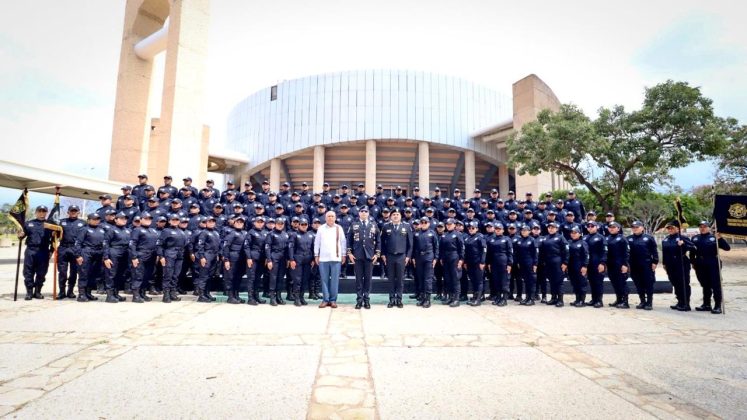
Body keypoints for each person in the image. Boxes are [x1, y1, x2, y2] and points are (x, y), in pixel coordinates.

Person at [690, 221, 730, 314]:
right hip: (700, 263)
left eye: (705, 226)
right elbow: (692, 252)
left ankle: (717, 306)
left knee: (715, 285)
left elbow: (727, 248)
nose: (702, 228)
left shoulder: (714, 237)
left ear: (709, 228)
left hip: (712, 263)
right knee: (705, 285)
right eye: (701, 227)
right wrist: (693, 262)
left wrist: (720, 239)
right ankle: (706, 304)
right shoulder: (695, 238)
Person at [17, 205, 54, 300]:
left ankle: (37, 292)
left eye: (43, 211)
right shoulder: (28, 223)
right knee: (28, 272)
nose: (41, 213)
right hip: (31, 250)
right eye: (39, 211)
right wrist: (20, 235)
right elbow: (22, 236)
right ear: (36, 212)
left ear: (46, 213)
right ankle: (29, 292)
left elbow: (54, 240)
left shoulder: (51, 225)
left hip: (43, 251)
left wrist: (51, 251)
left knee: (41, 272)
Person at [346, 207, 381, 309]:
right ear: (359, 213)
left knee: (368, 279)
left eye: (366, 211)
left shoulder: (374, 225)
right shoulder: (354, 224)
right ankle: (359, 300)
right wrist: (349, 253)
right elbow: (349, 240)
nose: (364, 213)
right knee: (358, 279)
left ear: (368, 213)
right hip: (357, 256)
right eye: (362, 211)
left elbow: (378, 240)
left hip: (370, 256)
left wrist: (377, 254)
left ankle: (366, 299)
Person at [380, 209, 413, 308]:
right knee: (390, 279)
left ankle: (399, 299)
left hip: (401, 256)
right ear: (391, 216)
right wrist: (383, 254)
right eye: (394, 214)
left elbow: (410, 244)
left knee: (400, 279)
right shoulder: (386, 226)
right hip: (389, 256)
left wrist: (408, 256)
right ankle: (391, 299)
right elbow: (382, 242)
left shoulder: (406, 226)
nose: (395, 216)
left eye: (397, 214)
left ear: (400, 216)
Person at [314, 211, 346, 308]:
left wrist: (343, 255)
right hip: (323, 258)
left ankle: (333, 300)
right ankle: (325, 299)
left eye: (332, 216)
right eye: (328, 216)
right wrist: (316, 255)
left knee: (334, 281)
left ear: (335, 218)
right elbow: (317, 243)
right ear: (325, 218)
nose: (330, 218)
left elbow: (343, 242)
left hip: (336, 258)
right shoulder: (321, 228)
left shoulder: (339, 228)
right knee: (324, 280)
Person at [661, 221, 696, 311]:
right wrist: (664, 264)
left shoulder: (682, 237)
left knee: (683, 284)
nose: (670, 230)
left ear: (677, 228)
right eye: (668, 228)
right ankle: (680, 301)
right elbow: (665, 253)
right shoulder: (666, 239)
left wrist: (684, 244)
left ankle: (686, 303)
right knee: (675, 283)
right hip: (670, 264)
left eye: (672, 228)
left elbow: (693, 248)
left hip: (681, 263)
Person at [73, 213, 106, 302]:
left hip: (98, 253)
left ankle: (88, 293)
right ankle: (81, 294)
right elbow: (78, 243)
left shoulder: (101, 230)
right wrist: (78, 255)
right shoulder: (84, 229)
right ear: (88, 220)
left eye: (97, 219)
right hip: (87, 252)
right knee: (84, 273)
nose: (96, 221)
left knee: (93, 274)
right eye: (94, 219)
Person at [157, 214, 188, 303]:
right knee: (168, 274)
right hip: (169, 253)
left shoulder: (181, 232)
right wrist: (161, 256)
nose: (175, 221)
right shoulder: (166, 231)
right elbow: (159, 245)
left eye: (177, 220)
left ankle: (172, 293)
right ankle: (166, 294)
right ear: (169, 221)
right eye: (173, 220)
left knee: (176, 275)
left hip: (179, 255)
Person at [57, 205, 86, 300]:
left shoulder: (83, 223)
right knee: (62, 272)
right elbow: (55, 234)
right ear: (68, 212)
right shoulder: (61, 222)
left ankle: (70, 291)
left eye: (75, 211)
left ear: (78, 212)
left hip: (75, 249)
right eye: (71, 211)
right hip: (63, 248)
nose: (73, 212)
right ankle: (61, 291)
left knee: (74, 272)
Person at [128, 212, 158, 303]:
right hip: (140, 255)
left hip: (151, 256)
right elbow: (132, 244)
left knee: (147, 276)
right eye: (145, 218)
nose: (148, 220)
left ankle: (142, 293)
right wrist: (134, 257)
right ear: (140, 220)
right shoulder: (137, 230)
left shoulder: (153, 230)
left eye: (149, 219)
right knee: (138, 276)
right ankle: (136, 295)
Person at [627, 220, 658, 310]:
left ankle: (649, 302)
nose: (635, 229)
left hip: (646, 264)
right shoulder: (628, 239)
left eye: (637, 227)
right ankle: (642, 301)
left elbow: (654, 251)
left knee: (648, 283)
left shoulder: (648, 238)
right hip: (634, 264)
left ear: (642, 228)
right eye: (633, 227)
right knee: (638, 283)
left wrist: (655, 262)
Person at [538, 222, 568, 307]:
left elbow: (566, 251)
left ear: (556, 229)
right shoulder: (545, 238)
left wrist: (565, 262)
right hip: (548, 262)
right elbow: (542, 251)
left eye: (553, 227)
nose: (551, 229)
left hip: (557, 261)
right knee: (551, 281)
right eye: (549, 227)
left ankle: (560, 300)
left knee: (559, 281)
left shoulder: (560, 237)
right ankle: (553, 298)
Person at [412, 217, 438, 308]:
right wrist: (413, 258)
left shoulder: (432, 233)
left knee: (428, 279)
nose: (423, 224)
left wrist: (436, 258)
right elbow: (414, 247)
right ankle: (422, 298)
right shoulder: (416, 234)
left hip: (429, 257)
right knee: (421, 278)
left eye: (425, 222)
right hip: (419, 258)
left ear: (429, 223)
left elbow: (436, 246)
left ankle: (427, 299)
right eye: (422, 222)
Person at [265, 217, 292, 306]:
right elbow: (267, 247)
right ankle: (272, 297)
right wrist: (269, 260)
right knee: (273, 277)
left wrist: (288, 259)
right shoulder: (271, 234)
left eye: (282, 224)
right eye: (278, 224)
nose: (280, 225)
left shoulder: (285, 234)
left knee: (280, 278)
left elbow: (288, 248)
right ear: (275, 224)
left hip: (283, 258)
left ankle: (278, 297)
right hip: (274, 256)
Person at [289, 218, 315, 306]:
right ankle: (296, 298)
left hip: (307, 260)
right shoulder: (294, 235)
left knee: (304, 279)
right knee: (297, 280)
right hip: (297, 259)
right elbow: (291, 248)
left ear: (308, 225)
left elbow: (313, 248)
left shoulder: (310, 235)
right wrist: (291, 259)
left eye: (305, 224)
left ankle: (301, 297)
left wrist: (313, 259)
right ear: (299, 225)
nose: (304, 226)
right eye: (302, 224)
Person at [222, 217, 248, 304]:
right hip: (232, 257)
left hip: (241, 259)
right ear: (234, 223)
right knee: (230, 277)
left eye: (241, 222)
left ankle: (236, 295)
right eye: (237, 222)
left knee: (238, 277)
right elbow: (226, 247)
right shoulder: (231, 233)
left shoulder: (245, 233)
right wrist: (226, 260)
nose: (239, 224)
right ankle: (230, 297)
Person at [194, 216, 221, 303]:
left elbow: (217, 245)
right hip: (206, 255)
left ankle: (207, 293)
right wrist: (202, 257)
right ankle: (201, 295)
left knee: (210, 276)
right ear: (206, 223)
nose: (211, 223)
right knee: (203, 276)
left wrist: (217, 255)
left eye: (213, 222)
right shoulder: (203, 233)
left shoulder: (216, 232)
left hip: (214, 255)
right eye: (209, 222)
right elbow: (200, 246)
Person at [439, 218, 464, 307]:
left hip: (454, 257)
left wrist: (461, 259)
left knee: (455, 278)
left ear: (454, 225)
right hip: (446, 259)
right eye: (447, 224)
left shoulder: (458, 234)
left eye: (450, 224)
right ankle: (450, 297)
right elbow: (441, 248)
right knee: (447, 279)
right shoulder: (444, 235)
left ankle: (456, 299)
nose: (448, 226)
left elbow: (462, 248)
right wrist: (441, 258)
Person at [486, 223, 513, 306]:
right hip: (494, 263)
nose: (498, 230)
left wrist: (509, 264)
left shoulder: (507, 239)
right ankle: (498, 297)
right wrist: (489, 263)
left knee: (504, 281)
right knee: (496, 281)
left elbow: (510, 252)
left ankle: (504, 299)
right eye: (496, 229)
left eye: (499, 229)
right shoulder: (491, 240)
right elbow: (489, 253)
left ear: (503, 230)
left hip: (503, 262)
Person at [243, 217, 268, 305]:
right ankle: (250, 298)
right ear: (254, 223)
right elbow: (246, 246)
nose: (260, 224)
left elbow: (267, 247)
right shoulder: (251, 232)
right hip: (253, 258)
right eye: (258, 222)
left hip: (261, 258)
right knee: (251, 278)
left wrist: (266, 258)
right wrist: (248, 258)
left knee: (258, 278)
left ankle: (256, 296)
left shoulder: (265, 232)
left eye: (261, 222)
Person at [605, 222, 630, 308]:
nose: (611, 229)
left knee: (622, 283)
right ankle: (619, 300)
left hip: (620, 264)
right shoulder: (607, 238)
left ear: (618, 228)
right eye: (610, 227)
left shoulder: (622, 238)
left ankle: (625, 302)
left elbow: (626, 252)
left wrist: (625, 264)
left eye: (613, 227)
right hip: (611, 264)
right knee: (615, 283)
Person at [584, 221, 607, 307]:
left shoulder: (601, 237)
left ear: (596, 227)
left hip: (597, 262)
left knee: (598, 282)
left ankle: (599, 301)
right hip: (589, 263)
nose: (590, 228)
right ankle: (594, 299)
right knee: (592, 282)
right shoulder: (585, 237)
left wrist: (602, 263)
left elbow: (605, 251)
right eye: (588, 226)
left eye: (592, 226)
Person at [463, 221, 486, 306]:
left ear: (477, 229)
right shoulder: (467, 238)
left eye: (473, 228)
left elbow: (484, 250)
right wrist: (465, 262)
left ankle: (478, 299)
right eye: (469, 228)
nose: (471, 229)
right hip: (470, 263)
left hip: (478, 263)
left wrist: (482, 262)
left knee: (479, 281)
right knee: (473, 280)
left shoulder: (480, 237)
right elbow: (465, 251)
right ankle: (474, 297)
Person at [514, 224, 538, 306]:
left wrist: (535, 264)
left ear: (529, 231)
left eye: (525, 230)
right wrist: (518, 262)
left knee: (531, 281)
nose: (523, 232)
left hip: (530, 262)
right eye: (522, 230)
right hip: (522, 263)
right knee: (526, 281)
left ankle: (531, 299)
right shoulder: (519, 240)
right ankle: (527, 297)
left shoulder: (532, 240)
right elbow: (517, 253)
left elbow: (535, 253)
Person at [567, 227, 590, 307]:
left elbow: (586, 255)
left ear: (580, 234)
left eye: (575, 233)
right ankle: (577, 299)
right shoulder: (569, 242)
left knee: (582, 283)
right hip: (571, 266)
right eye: (572, 233)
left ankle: (582, 301)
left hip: (580, 265)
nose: (573, 234)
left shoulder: (583, 243)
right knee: (575, 283)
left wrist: (585, 266)